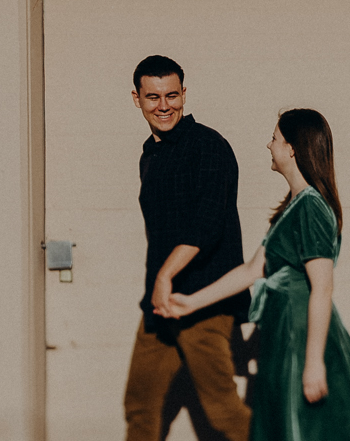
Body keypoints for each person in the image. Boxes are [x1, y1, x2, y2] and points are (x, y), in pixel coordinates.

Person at [166, 109, 350, 441]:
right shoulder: (294, 206)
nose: (268, 145)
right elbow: (250, 271)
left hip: (300, 337)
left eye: (274, 138)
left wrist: (313, 362)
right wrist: (190, 303)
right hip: (283, 334)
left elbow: (322, 289)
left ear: (292, 149)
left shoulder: (311, 208)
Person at [124, 55, 251, 441]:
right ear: (137, 99)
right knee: (140, 404)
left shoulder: (208, 146)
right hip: (162, 304)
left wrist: (165, 275)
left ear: (184, 94)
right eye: (153, 97)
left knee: (222, 409)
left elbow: (208, 225)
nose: (164, 106)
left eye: (172, 95)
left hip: (205, 301)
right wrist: (159, 286)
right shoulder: (151, 153)